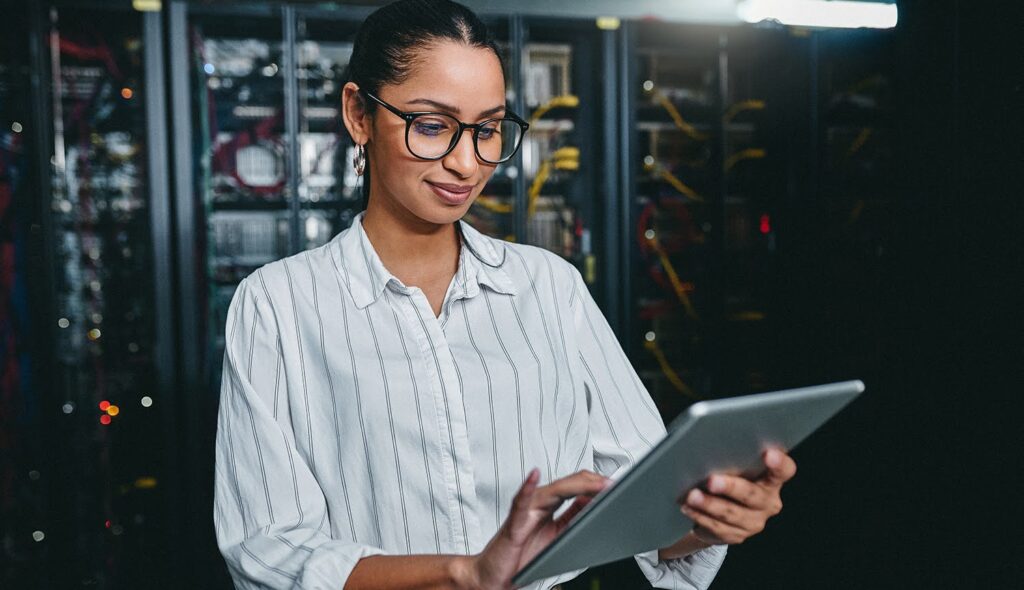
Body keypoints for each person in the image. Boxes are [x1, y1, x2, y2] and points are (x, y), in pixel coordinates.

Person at [213, 1, 797, 588]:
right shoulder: (278, 306)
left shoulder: (549, 288)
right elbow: (269, 550)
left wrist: (712, 517)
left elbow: (644, 507)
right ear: (359, 114)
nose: (467, 163)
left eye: (488, 129)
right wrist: (465, 574)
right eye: (433, 125)